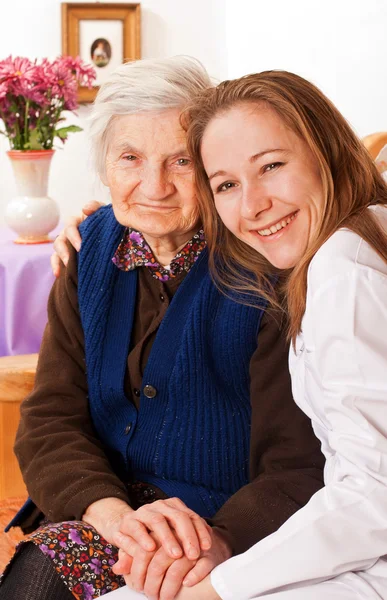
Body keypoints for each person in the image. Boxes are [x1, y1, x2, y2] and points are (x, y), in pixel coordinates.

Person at [0, 59, 324, 600]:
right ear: (104, 165)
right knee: (37, 581)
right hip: (110, 514)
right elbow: (52, 415)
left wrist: (217, 542)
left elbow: (297, 459)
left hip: (225, 527)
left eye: (180, 161)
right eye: (130, 158)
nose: (155, 186)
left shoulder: (264, 260)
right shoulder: (91, 247)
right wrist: (111, 514)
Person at [170, 70, 387, 599]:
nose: (252, 206)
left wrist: (221, 587)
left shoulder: (341, 269)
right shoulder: (364, 231)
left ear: (328, 153)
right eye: (226, 185)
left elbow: (375, 495)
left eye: (271, 166)